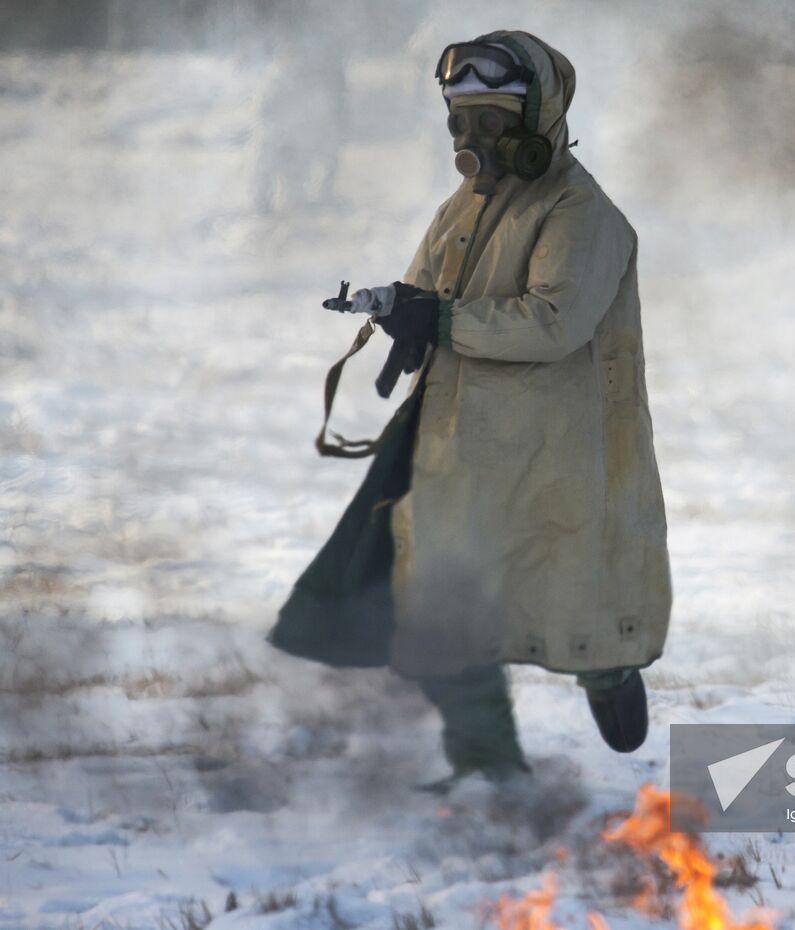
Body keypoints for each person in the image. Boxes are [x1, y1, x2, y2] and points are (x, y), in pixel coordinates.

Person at [269, 31, 671, 788]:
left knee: (570, 590)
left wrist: (444, 322)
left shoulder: (582, 212)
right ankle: (488, 766)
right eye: (463, 121)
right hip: (457, 441)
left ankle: (609, 674)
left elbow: (556, 322)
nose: (474, 139)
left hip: (555, 451)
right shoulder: (464, 205)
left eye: (491, 121)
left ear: (536, 117)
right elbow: (431, 290)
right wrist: (399, 307)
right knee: (433, 599)